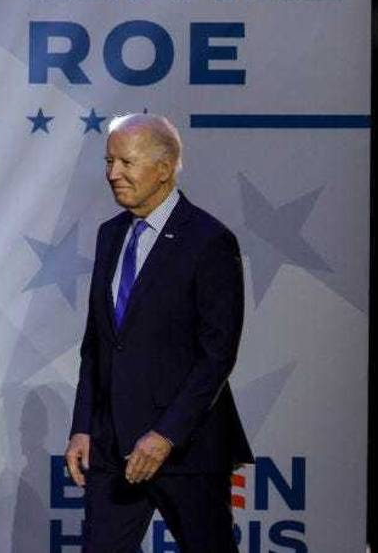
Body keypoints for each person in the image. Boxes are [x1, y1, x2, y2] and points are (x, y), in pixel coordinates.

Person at [65, 113, 253, 552]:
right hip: (112, 448)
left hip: (185, 449)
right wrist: (82, 428)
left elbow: (217, 356)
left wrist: (166, 435)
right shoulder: (109, 236)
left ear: (164, 168)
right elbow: (97, 346)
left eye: (126, 163)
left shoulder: (209, 241)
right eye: (109, 162)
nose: (113, 174)